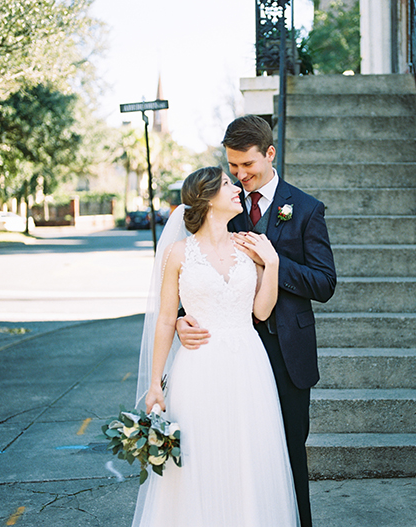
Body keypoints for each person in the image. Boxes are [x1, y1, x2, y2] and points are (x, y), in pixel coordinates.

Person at [177, 115, 337, 527]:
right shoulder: (222, 201)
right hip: (226, 352)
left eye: (246, 165)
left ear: (269, 153)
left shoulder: (305, 209)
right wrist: (181, 318)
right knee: (226, 453)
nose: (239, 175)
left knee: (285, 455)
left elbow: (324, 282)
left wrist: (274, 261)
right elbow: (194, 268)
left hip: (286, 354)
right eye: (232, 166)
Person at [131, 167, 300, 526]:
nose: (236, 187)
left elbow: (262, 310)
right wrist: (154, 384)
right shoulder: (178, 253)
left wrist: (271, 263)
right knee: (201, 457)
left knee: (247, 457)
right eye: (227, 183)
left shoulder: (247, 244)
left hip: (247, 366)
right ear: (207, 198)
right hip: (198, 368)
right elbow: (164, 318)